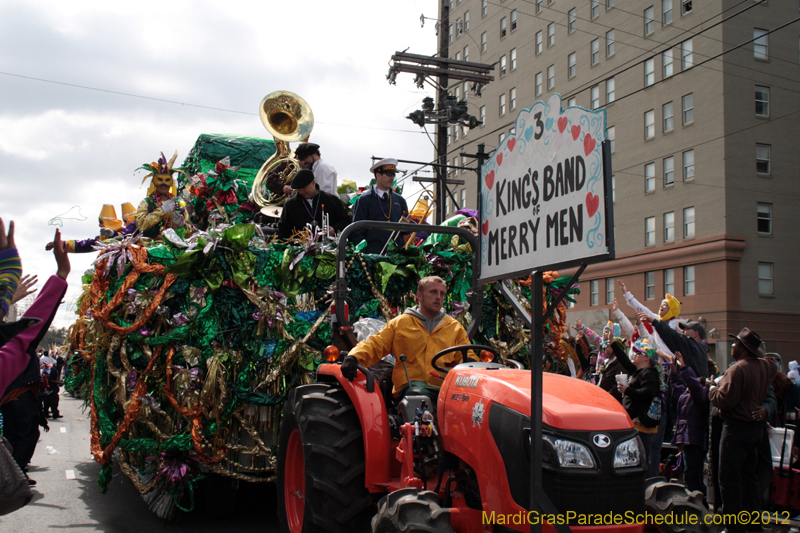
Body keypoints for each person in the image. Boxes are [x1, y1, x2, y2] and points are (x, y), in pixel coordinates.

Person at [1, 225, 70, 485]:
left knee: (16, 432)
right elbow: (31, 327)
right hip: (18, 395)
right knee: (25, 433)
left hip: (17, 394)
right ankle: (14, 474)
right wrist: (61, 274)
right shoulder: (9, 357)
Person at [341, 276, 470, 404]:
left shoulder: (454, 327)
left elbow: (467, 355)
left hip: (446, 388)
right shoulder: (400, 323)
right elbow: (376, 344)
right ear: (419, 296)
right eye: (433, 292)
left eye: (442, 293)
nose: (438, 297)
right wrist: (354, 356)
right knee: (422, 398)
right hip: (412, 387)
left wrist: (473, 363)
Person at [708, 328, 777, 533]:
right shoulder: (766, 366)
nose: (732, 346)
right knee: (749, 478)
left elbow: (725, 401)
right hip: (755, 430)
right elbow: (771, 370)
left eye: (736, 343)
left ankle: (733, 527)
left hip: (735, 429)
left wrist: (712, 389)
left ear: (744, 348)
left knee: (728, 479)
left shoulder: (736, 370)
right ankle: (754, 525)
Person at [616, 340, 663, 462]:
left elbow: (648, 393)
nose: (635, 354)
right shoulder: (640, 372)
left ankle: (645, 480)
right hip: (635, 422)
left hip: (641, 424)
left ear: (647, 358)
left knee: (641, 458)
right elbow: (624, 360)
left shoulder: (648, 374)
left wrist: (627, 390)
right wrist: (612, 343)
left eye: (639, 352)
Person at [670, 350, 709, 496]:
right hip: (686, 440)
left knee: (692, 475)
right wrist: (674, 373)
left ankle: (697, 504)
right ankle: (699, 502)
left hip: (695, 441)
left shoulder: (702, 395)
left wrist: (684, 367)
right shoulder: (686, 396)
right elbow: (678, 389)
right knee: (691, 474)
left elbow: (694, 385)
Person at [350, 158, 410, 254]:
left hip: (394, 257)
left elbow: (405, 234)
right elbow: (357, 231)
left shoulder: (400, 200)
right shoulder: (364, 200)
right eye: (389, 174)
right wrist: (364, 256)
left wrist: (406, 229)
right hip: (371, 256)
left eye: (393, 174)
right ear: (378, 175)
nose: (392, 178)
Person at [277, 169, 349, 239]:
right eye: (299, 189)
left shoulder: (331, 200)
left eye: (304, 188)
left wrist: (334, 229)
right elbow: (283, 230)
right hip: (299, 248)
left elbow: (345, 221)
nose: (302, 192)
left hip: (328, 247)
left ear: (313, 183)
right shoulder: (290, 205)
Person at [135, 151, 187, 237]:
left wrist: (181, 224)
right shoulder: (147, 202)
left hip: (174, 247)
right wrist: (161, 211)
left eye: (167, 180)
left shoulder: (179, 203)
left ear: (171, 183)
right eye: (159, 180)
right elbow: (140, 225)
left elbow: (190, 232)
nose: (164, 184)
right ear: (154, 183)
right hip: (151, 247)